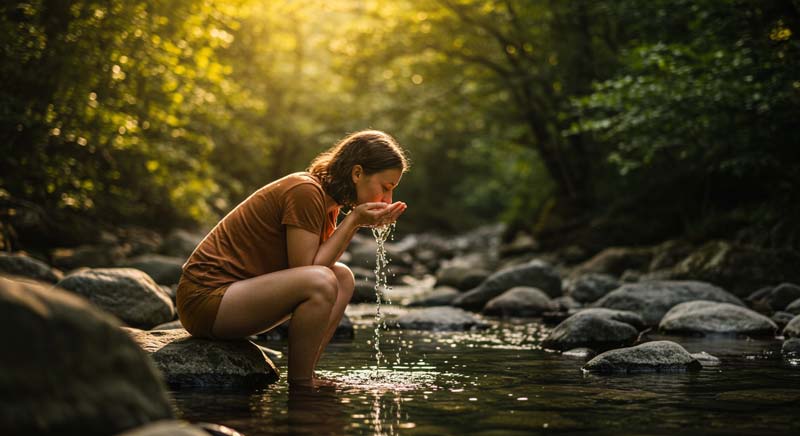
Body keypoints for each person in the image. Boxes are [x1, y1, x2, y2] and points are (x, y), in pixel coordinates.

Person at [176, 130, 409, 387]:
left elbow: (313, 269)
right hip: (205, 301)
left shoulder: (327, 204)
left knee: (342, 277)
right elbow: (307, 272)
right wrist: (353, 221)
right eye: (385, 188)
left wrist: (352, 222)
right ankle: (300, 383)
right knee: (321, 280)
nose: (388, 200)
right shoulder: (305, 191)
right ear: (357, 173)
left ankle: (307, 374)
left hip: (234, 300)